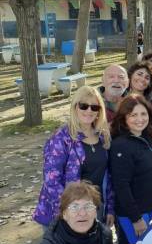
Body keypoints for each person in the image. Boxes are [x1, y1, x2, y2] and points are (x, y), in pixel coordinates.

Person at [34, 86, 114, 228]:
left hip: (95, 208)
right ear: (75, 107)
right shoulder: (61, 138)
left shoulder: (103, 137)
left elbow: (108, 176)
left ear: (99, 111)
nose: (89, 110)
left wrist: (110, 209)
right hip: (64, 214)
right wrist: (70, 211)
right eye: (83, 106)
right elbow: (51, 181)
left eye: (94, 107)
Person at [110, 94, 152, 244]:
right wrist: (136, 219)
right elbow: (121, 185)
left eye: (143, 114)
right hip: (135, 215)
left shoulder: (147, 137)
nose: (140, 119)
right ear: (124, 118)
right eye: (133, 115)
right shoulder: (121, 145)